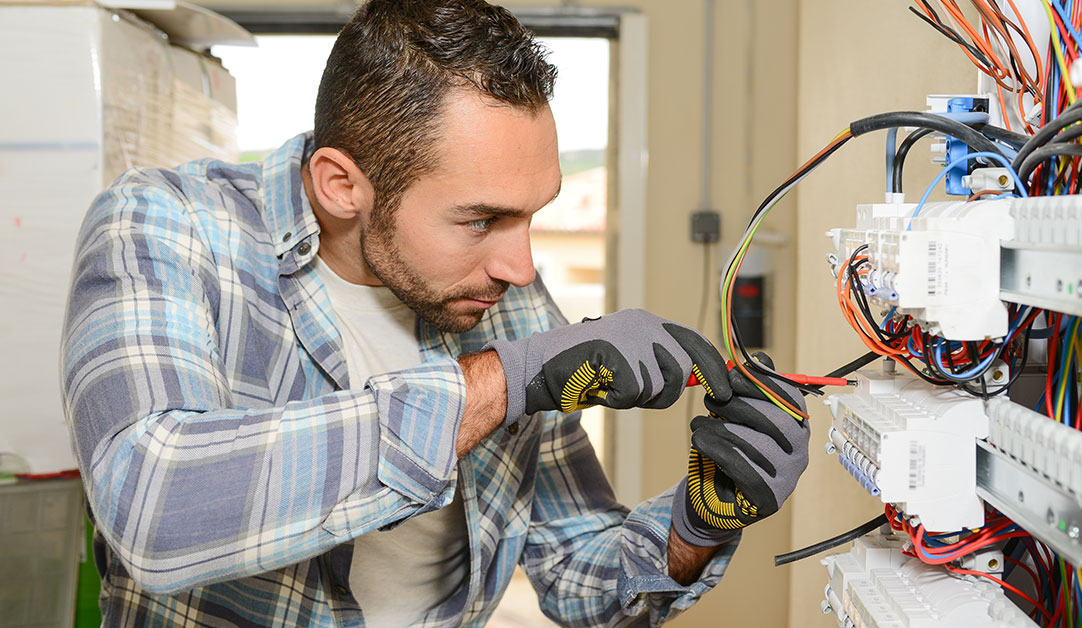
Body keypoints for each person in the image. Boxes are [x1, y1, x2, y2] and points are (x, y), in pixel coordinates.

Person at [59, 0, 810, 625]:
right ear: (341, 185)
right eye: (481, 220)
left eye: (531, 216)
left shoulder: (501, 301)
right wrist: (499, 385)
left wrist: (698, 524)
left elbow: (577, 573)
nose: (520, 269)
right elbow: (151, 507)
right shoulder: (165, 228)